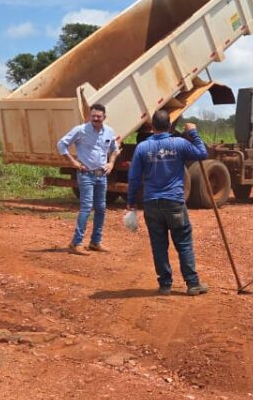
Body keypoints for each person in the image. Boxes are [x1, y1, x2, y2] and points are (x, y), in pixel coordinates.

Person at [127, 111, 209, 296]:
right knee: (184, 243)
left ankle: (165, 285)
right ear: (170, 125)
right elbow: (202, 153)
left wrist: (131, 202)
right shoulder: (179, 144)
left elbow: (134, 178)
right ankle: (192, 284)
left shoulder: (142, 147)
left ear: (152, 126)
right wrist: (193, 133)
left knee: (159, 245)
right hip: (174, 202)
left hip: (152, 204)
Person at [56, 103, 119, 255]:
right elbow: (61, 144)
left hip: (101, 175)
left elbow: (114, 149)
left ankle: (95, 242)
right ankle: (76, 243)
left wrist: (111, 163)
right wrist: (73, 162)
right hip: (86, 175)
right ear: (90, 116)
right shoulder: (81, 130)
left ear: (104, 117)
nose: (96, 118)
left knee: (101, 208)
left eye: (99, 116)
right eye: (93, 116)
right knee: (86, 207)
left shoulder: (109, 131)